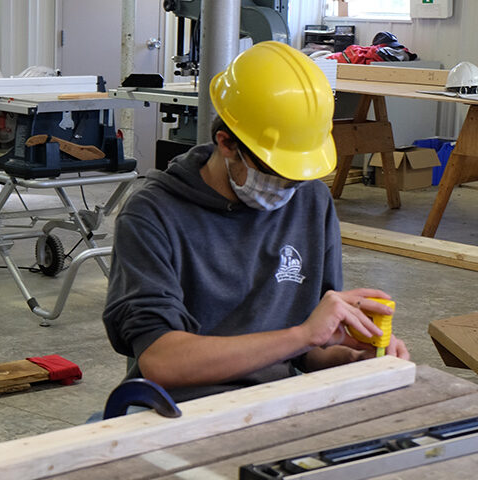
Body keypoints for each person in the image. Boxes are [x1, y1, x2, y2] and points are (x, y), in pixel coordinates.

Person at [102, 41, 409, 404]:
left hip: (275, 400)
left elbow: (309, 350)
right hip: (179, 409)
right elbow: (162, 361)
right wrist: (304, 335)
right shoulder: (152, 214)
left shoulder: (311, 200)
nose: (288, 188)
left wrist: (351, 356)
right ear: (226, 143)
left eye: (299, 175)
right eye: (278, 172)